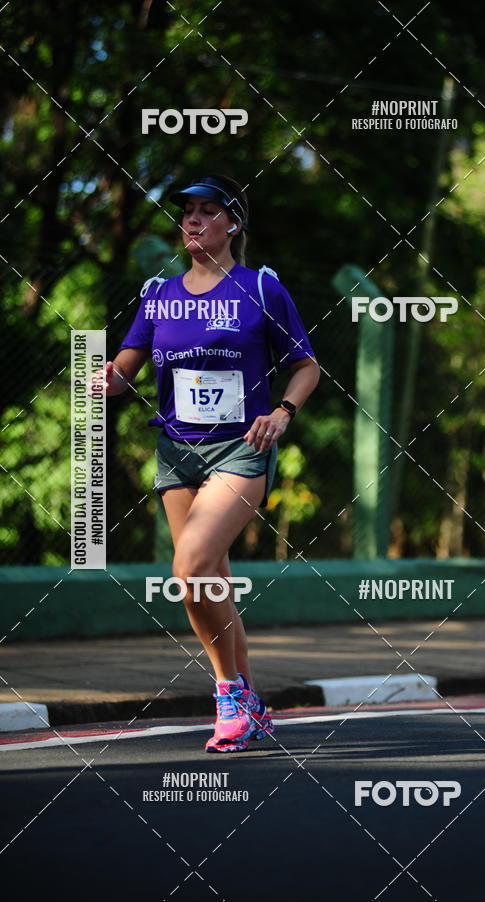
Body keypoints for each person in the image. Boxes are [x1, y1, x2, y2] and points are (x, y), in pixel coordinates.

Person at [102, 174, 320, 752]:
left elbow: (305, 365)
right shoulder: (159, 294)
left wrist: (282, 412)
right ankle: (248, 700)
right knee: (209, 581)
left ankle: (227, 694)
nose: (193, 221)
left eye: (207, 211)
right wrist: (107, 380)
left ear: (233, 224)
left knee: (191, 567)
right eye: (187, 212)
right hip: (177, 452)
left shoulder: (261, 289)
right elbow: (127, 366)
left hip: (240, 449)